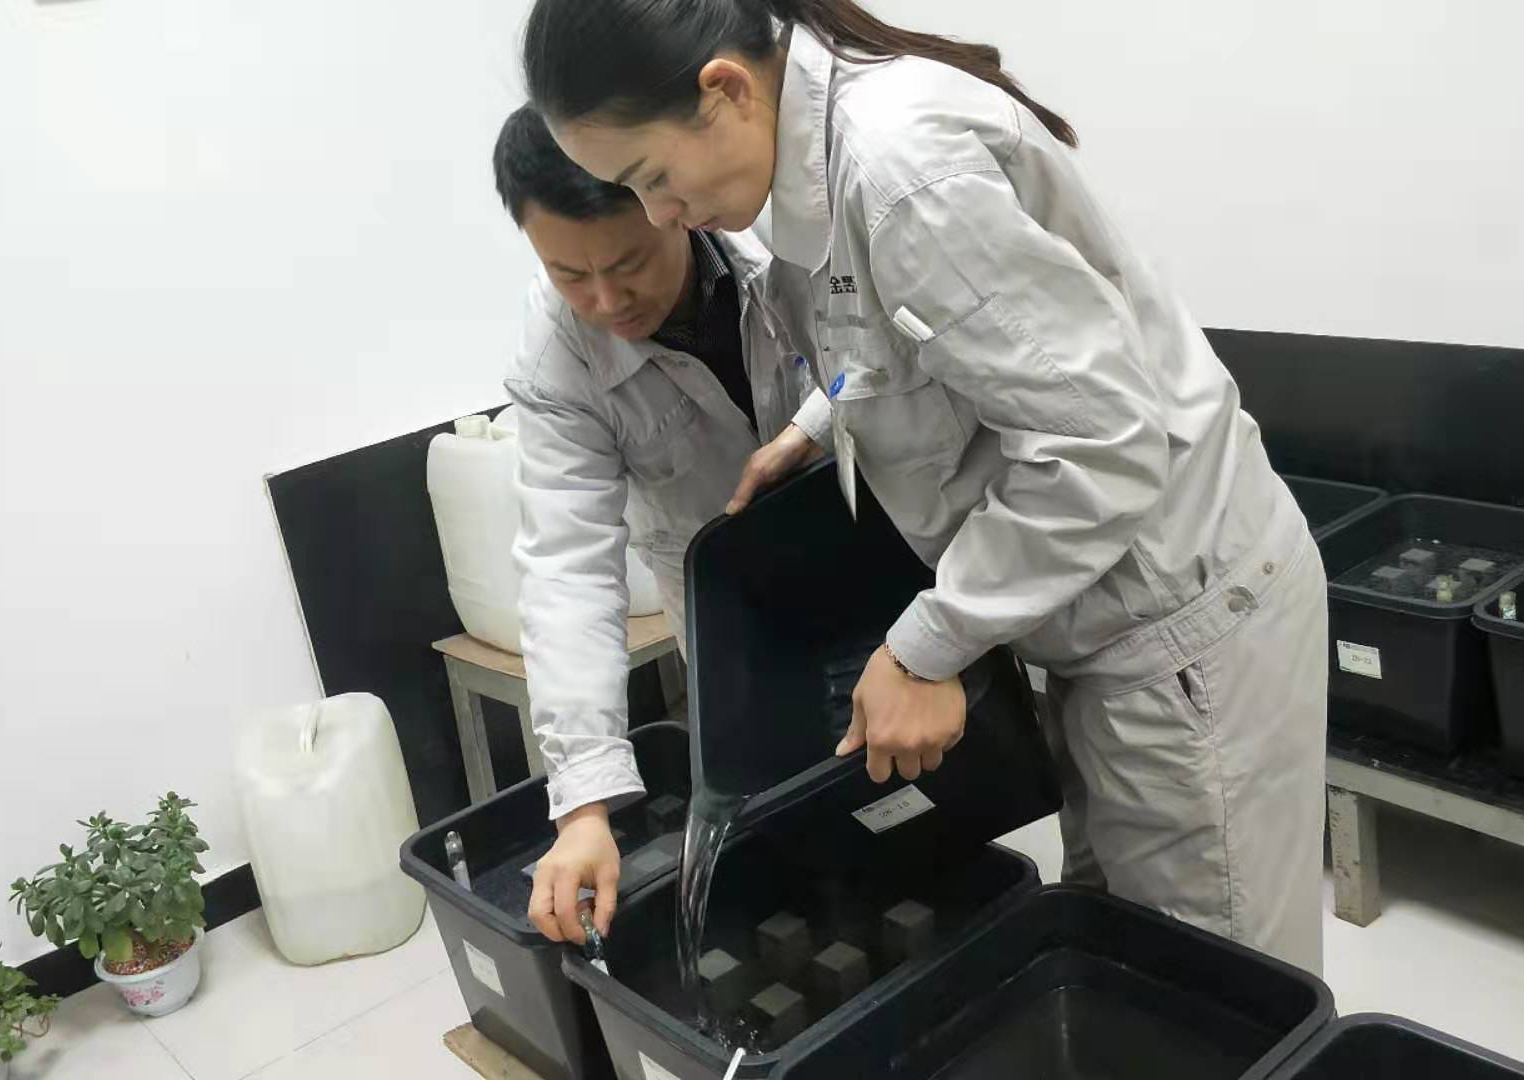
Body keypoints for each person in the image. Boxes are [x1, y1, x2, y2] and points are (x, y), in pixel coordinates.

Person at [521, 1, 1330, 972]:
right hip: (1092, 623)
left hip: (1176, 624)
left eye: (652, 179)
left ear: (724, 91)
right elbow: (902, 338)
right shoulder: (810, 165)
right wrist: (819, 422)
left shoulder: (898, 170)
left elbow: (1103, 443)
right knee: (1131, 961)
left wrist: (924, 649)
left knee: (1214, 994)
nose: (658, 215)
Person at [491, 106, 827, 947]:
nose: (606, 301)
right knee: (783, 814)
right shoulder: (555, 359)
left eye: (629, 263)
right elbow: (568, 568)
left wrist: (817, 423)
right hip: (725, 609)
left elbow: (888, 355)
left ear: (666, 200)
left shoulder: (780, 234)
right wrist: (584, 803)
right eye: (569, 274)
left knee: (920, 770)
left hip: (860, 542)